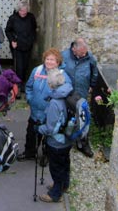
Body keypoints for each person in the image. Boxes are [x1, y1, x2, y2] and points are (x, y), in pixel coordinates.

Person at [18, 48, 66, 161]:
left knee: (49, 135)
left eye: (52, 60)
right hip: (36, 110)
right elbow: (29, 86)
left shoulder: (61, 75)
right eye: (47, 59)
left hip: (50, 112)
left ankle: (46, 155)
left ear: (58, 62)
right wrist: (30, 99)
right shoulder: (37, 71)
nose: (49, 62)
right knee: (31, 133)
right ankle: (30, 153)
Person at [36, 69, 74, 203]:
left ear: (51, 84)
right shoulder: (68, 92)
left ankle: (55, 194)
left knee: (56, 167)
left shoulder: (55, 102)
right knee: (65, 163)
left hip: (57, 141)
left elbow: (51, 128)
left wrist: (40, 128)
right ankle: (64, 185)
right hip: (68, 137)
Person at [61, 37, 98, 158]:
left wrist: (92, 85)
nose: (84, 55)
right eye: (81, 53)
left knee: (83, 117)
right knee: (65, 116)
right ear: (74, 49)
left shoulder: (89, 57)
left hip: (81, 92)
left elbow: (94, 71)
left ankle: (83, 142)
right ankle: (63, 140)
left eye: (85, 53)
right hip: (68, 93)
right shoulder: (64, 56)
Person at [5, 0, 37, 91]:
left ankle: (24, 85)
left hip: (27, 45)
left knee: (26, 65)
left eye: (25, 10)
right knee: (19, 66)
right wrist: (12, 41)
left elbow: (34, 29)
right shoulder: (13, 18)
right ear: (18, 10)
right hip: (17, 46)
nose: (23, 12)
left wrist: (32, 40)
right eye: (21, 10)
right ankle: (18, 86)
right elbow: (8, 30)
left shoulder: (31, 17)